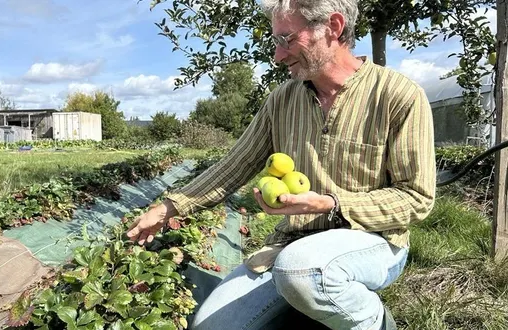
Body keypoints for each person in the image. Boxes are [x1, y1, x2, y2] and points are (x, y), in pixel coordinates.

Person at [126, 0, 436, 329]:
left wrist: (331, 204)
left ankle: (376, 322)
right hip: (292, 242)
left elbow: (416, 197)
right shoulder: (283, 100)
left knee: (299, 269)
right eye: (276, 43)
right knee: (210, 325)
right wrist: (169, 208)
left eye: (287, 39)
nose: (278, 56)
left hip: (374, 241)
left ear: (333, 27)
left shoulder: (397, 95)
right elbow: (236, 165)